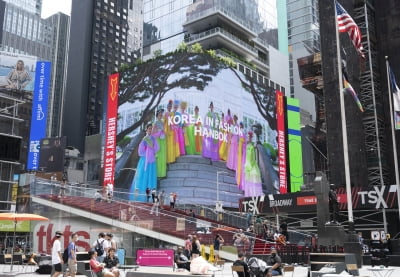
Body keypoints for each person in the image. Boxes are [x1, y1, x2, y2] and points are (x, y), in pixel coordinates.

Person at [131, 124, 159, 201]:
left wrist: (152, 151)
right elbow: (140, 151)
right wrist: (147, 151)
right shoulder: (144, 139)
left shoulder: (153, 138)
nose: (150, 130)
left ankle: (151, 198)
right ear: (146, 130)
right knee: (142, 178)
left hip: (152, 160)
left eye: (151, 129)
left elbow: (157, 148)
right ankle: (140, 197)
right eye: (149, 129)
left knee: (151, 178)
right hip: (145, 160)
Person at [152, 109, 167, 177]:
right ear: (157, 115)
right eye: (160, 114)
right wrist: (159, 131)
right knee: (158, 156)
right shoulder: (155, 122)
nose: (161, 115)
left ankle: (162, 173)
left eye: (161, 114)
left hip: (162, 140)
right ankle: (157, 173)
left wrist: (164, 132)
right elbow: (152, 132)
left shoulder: (162, 122)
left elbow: (164, 130)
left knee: (162, 156)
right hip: (158, 140)